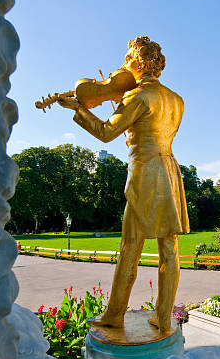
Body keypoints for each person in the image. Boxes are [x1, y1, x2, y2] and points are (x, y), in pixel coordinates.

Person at [57, 36, 189, 333]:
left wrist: (78, 109)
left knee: (131, 245)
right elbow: (151, 127)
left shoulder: (137, 96)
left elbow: (106, 133)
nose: (123, 66)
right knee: (170, 248)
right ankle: (164, 317)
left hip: (145, 172)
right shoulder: (176, 99)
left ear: (139, 63)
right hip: (170, 168)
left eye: (127, 60)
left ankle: (114, 314)